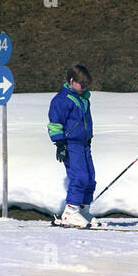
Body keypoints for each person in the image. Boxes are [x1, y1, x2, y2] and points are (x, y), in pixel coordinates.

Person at [47, 64, 98, 228]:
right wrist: (60, 144)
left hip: (83, 143)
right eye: (81, 85)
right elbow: (54, 123)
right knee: (79, 176)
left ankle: (83, 210)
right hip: (70, 143)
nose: (84, 88)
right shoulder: (61, 100)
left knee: (90, 177)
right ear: (71, 81)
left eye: (86, 85)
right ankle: (70, 212)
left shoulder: (83, 99)